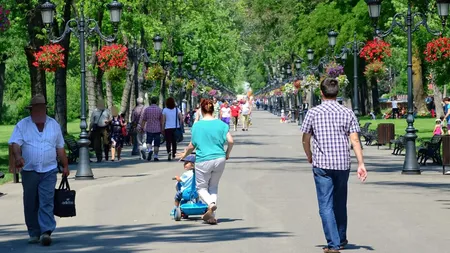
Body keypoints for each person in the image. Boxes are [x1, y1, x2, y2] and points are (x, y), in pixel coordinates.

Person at [301, 78, 367, 253]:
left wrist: (309, 155)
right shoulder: (347, 113)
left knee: (325, 205)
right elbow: (354, 139)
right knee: (340, 202)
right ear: (337, 92)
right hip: (342, 164)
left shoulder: (313, 113)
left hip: (322, 164)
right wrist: (361, 163)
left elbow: (305, 138)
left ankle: (333, 244)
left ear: (321, 93)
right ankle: (341, 237)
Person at [8, 94, 70, 246]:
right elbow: (15, 143)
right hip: (29, 170)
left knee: (46, 201)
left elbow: (60, 147)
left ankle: (46, 232)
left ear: (45, 109)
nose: (39, 112)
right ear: (31, 110)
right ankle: (34, 232)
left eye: (41, 109)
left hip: (49, 169)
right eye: (36, 110)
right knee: (31, 202)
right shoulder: (23, 125)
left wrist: (65, 165)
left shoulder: (53, 124)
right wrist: (17, 157)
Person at [176, 99, 234, 225]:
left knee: (201, 187)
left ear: (201, 111)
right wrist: (227, 154)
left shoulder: (197, 125)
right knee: (213, 186)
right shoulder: (222, 124)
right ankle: (212, 216)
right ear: (213, 110)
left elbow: (192, 145)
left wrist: (184, 155)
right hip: (220, 158)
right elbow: (230, 141)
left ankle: (211, 204)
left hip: (204, 159)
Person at [141, 96, 163, 161]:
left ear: (150, 102)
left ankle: (150, 150)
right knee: (156, 144)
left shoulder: (147, 110)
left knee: (148, 142)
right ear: (156, 102)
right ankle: (156, 156)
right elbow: (161, 120)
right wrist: (162, 129)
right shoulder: (159, 110)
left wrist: (142, 127)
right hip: (157, 129)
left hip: (149, 128)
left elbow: (144, 120)